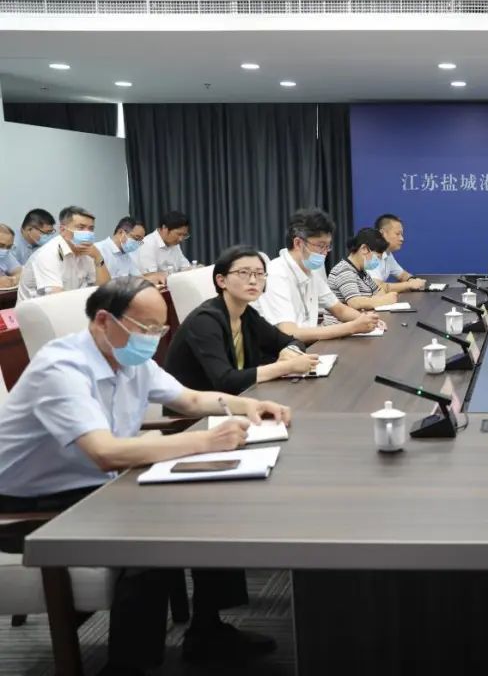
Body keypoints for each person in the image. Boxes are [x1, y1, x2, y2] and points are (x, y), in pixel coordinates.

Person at [0, 277, 289, 674]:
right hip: (29, 504)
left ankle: (208, 632)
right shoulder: (62, 368)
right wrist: (205, 442)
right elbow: (105, 452)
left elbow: (190, 399)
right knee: (150, 538)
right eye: (146, 328)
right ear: (104, 321)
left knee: (213, 503)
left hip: (93, 484)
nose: (153, 339)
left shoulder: (128, 359)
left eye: (160, 329)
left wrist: (248, 406)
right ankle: (128, 667)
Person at [165, 245, 320, 394]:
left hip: (237, 397)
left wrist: (290, 351)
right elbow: (225, 381)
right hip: (195, 407)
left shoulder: (247, 315)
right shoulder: (204, 321)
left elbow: (291, 341)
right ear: (221, 281)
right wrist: (287, 367)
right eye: (243, 273)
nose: (253, 280)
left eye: (259, 274)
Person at [254, 208, 382, 342]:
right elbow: (290, 333)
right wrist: (352, 327)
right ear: (298, 243)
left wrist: (367, 320)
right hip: (281, 350)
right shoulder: (276, 274)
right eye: (321, 246)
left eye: (328, 246)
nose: (325, 252)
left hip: (305, 346)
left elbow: (339, 310)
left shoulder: (311, 272)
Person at [16, 205, 110, 303]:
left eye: (91, 228)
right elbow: (57, 300)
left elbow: (105, 291)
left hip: (70, 305)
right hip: (37, 310)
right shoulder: (48, 254)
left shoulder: (88, 251)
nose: (87, 233)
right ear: (62, 230)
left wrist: (98, 257)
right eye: (81, 227)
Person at [327, 227, 399, 315]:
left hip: (364, 319)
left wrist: (378, 299)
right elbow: (355, 302)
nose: (378, 261)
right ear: (364, 249)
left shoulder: (362, 272)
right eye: (377, 257)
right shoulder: (344, 270)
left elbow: (379, 292)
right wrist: (383, 300)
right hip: (345, 322)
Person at [132, 209, 192, 283]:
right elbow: (151, 276)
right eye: (178, 234)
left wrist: (195, 269)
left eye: (184, 235)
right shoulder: (147, 244)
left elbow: (185, 267)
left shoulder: (174, 243)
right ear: (164, 228)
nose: (181, 239)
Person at [372, 213, 426, 292]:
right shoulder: (370, 255)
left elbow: (402, 275)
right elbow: (376, 287)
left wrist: (413, 280)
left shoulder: (387, 254)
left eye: (401, 234)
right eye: (397, 234)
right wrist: (409, 284)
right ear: (382, 234)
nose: (402, 239)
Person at [0, 223, 23, 288]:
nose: (5, 250)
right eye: (1, 245)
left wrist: (13, 280)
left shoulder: (7, 255)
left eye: (9, 247)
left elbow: (20, 272)